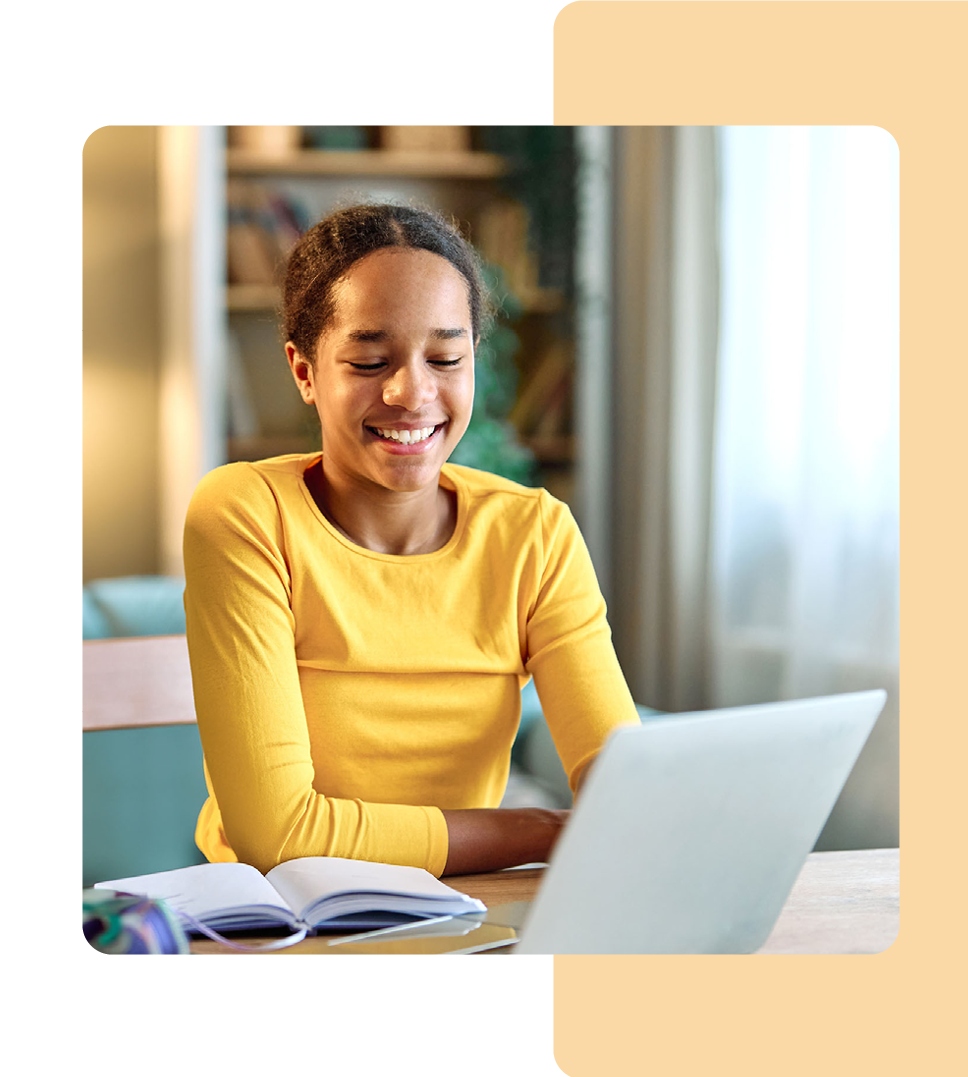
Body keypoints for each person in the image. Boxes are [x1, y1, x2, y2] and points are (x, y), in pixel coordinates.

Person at [183, 202, 640, 879]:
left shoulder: (534, 533)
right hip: (287, 918)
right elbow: (278, 835)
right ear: (306, 372)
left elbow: (621, 785)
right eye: (369, 361)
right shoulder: (248, 515)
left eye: (446, 357)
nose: (412, 392)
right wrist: (544, 830)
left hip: (470, 909)